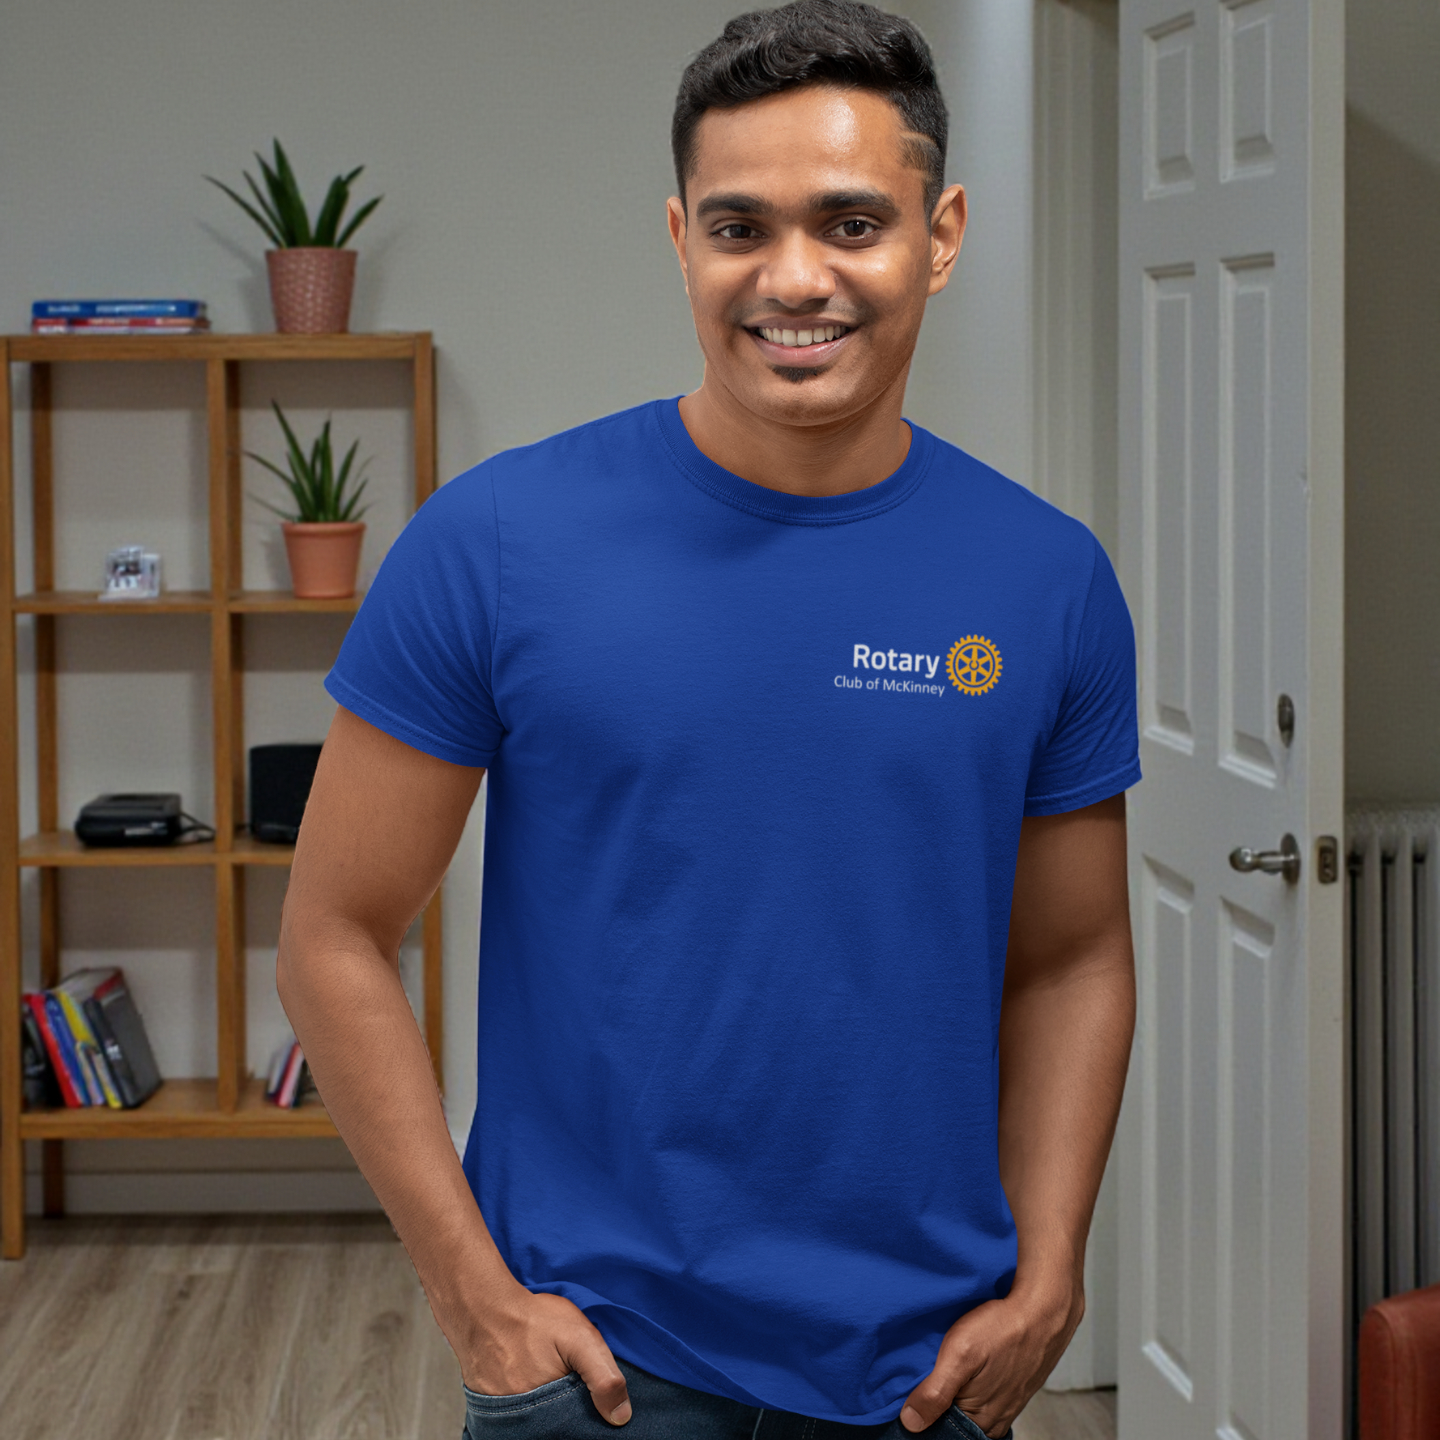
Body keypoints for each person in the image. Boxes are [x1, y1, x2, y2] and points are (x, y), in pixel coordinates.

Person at [276, 3, 1139, 1437]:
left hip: (922, 1371)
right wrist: (474, 1298)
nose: (794, 277)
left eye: (852, 223)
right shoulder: (495, 543)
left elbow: (1073, 958)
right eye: (741, 227)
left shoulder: (1047, 580)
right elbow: (332, 933)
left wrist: (1051, 1270)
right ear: (681, 238)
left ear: (941, 235)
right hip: (596, 1369)